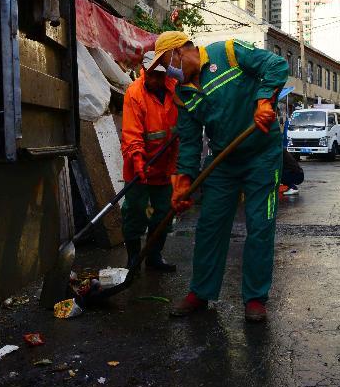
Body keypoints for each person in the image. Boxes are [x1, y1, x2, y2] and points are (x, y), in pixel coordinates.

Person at [150, 31, 288, 323]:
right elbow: (188, 142)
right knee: (210, 225)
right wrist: (183, 181)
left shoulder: (228, 53)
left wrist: (265, 101)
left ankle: (254, 298)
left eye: (166, 63)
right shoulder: (183, 94)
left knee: (259, 226)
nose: (168, 71)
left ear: (179, 51)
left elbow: (276, 65)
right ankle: (200, 292)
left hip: (261, 155)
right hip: (224, 161)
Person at [119, 51, 179, 272]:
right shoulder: (134, 94)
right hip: (139, 168)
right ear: (144, 71)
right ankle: (133, 259)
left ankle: (154, 257)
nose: (156, 80)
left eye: (160, 75)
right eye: (152, 74)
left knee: (162, 215)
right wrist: (137, 160)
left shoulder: (175, 90)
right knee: (134, 213)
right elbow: (132, 133)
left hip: (164, 169)